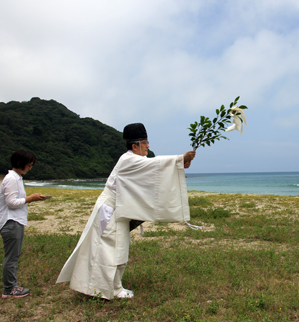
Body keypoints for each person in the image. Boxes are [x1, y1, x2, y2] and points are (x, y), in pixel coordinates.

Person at [56, 123, 196, 300]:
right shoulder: (127, 159)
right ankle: (106, 290)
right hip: (110, 210)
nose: (148, 146)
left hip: (119, 210)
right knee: (108, 249)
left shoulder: (136, 161)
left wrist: (180, 164)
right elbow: (156, 165)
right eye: (145, 142)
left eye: (147, 142)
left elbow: (153, 172)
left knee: (119, 248)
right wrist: (178, 159)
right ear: (134, 145)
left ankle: (113, 287)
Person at [0, 149, 47, 298]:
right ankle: (10, 288)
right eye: (29, 165)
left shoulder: (16, 178)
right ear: (21, 163)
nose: (30, 168)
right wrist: (30, 198)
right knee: (12, 257)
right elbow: (11, 203)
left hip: (14, 222)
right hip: (11, 222)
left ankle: (11, 287)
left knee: (13, 256)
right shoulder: (11, 179)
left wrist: (31, 198)